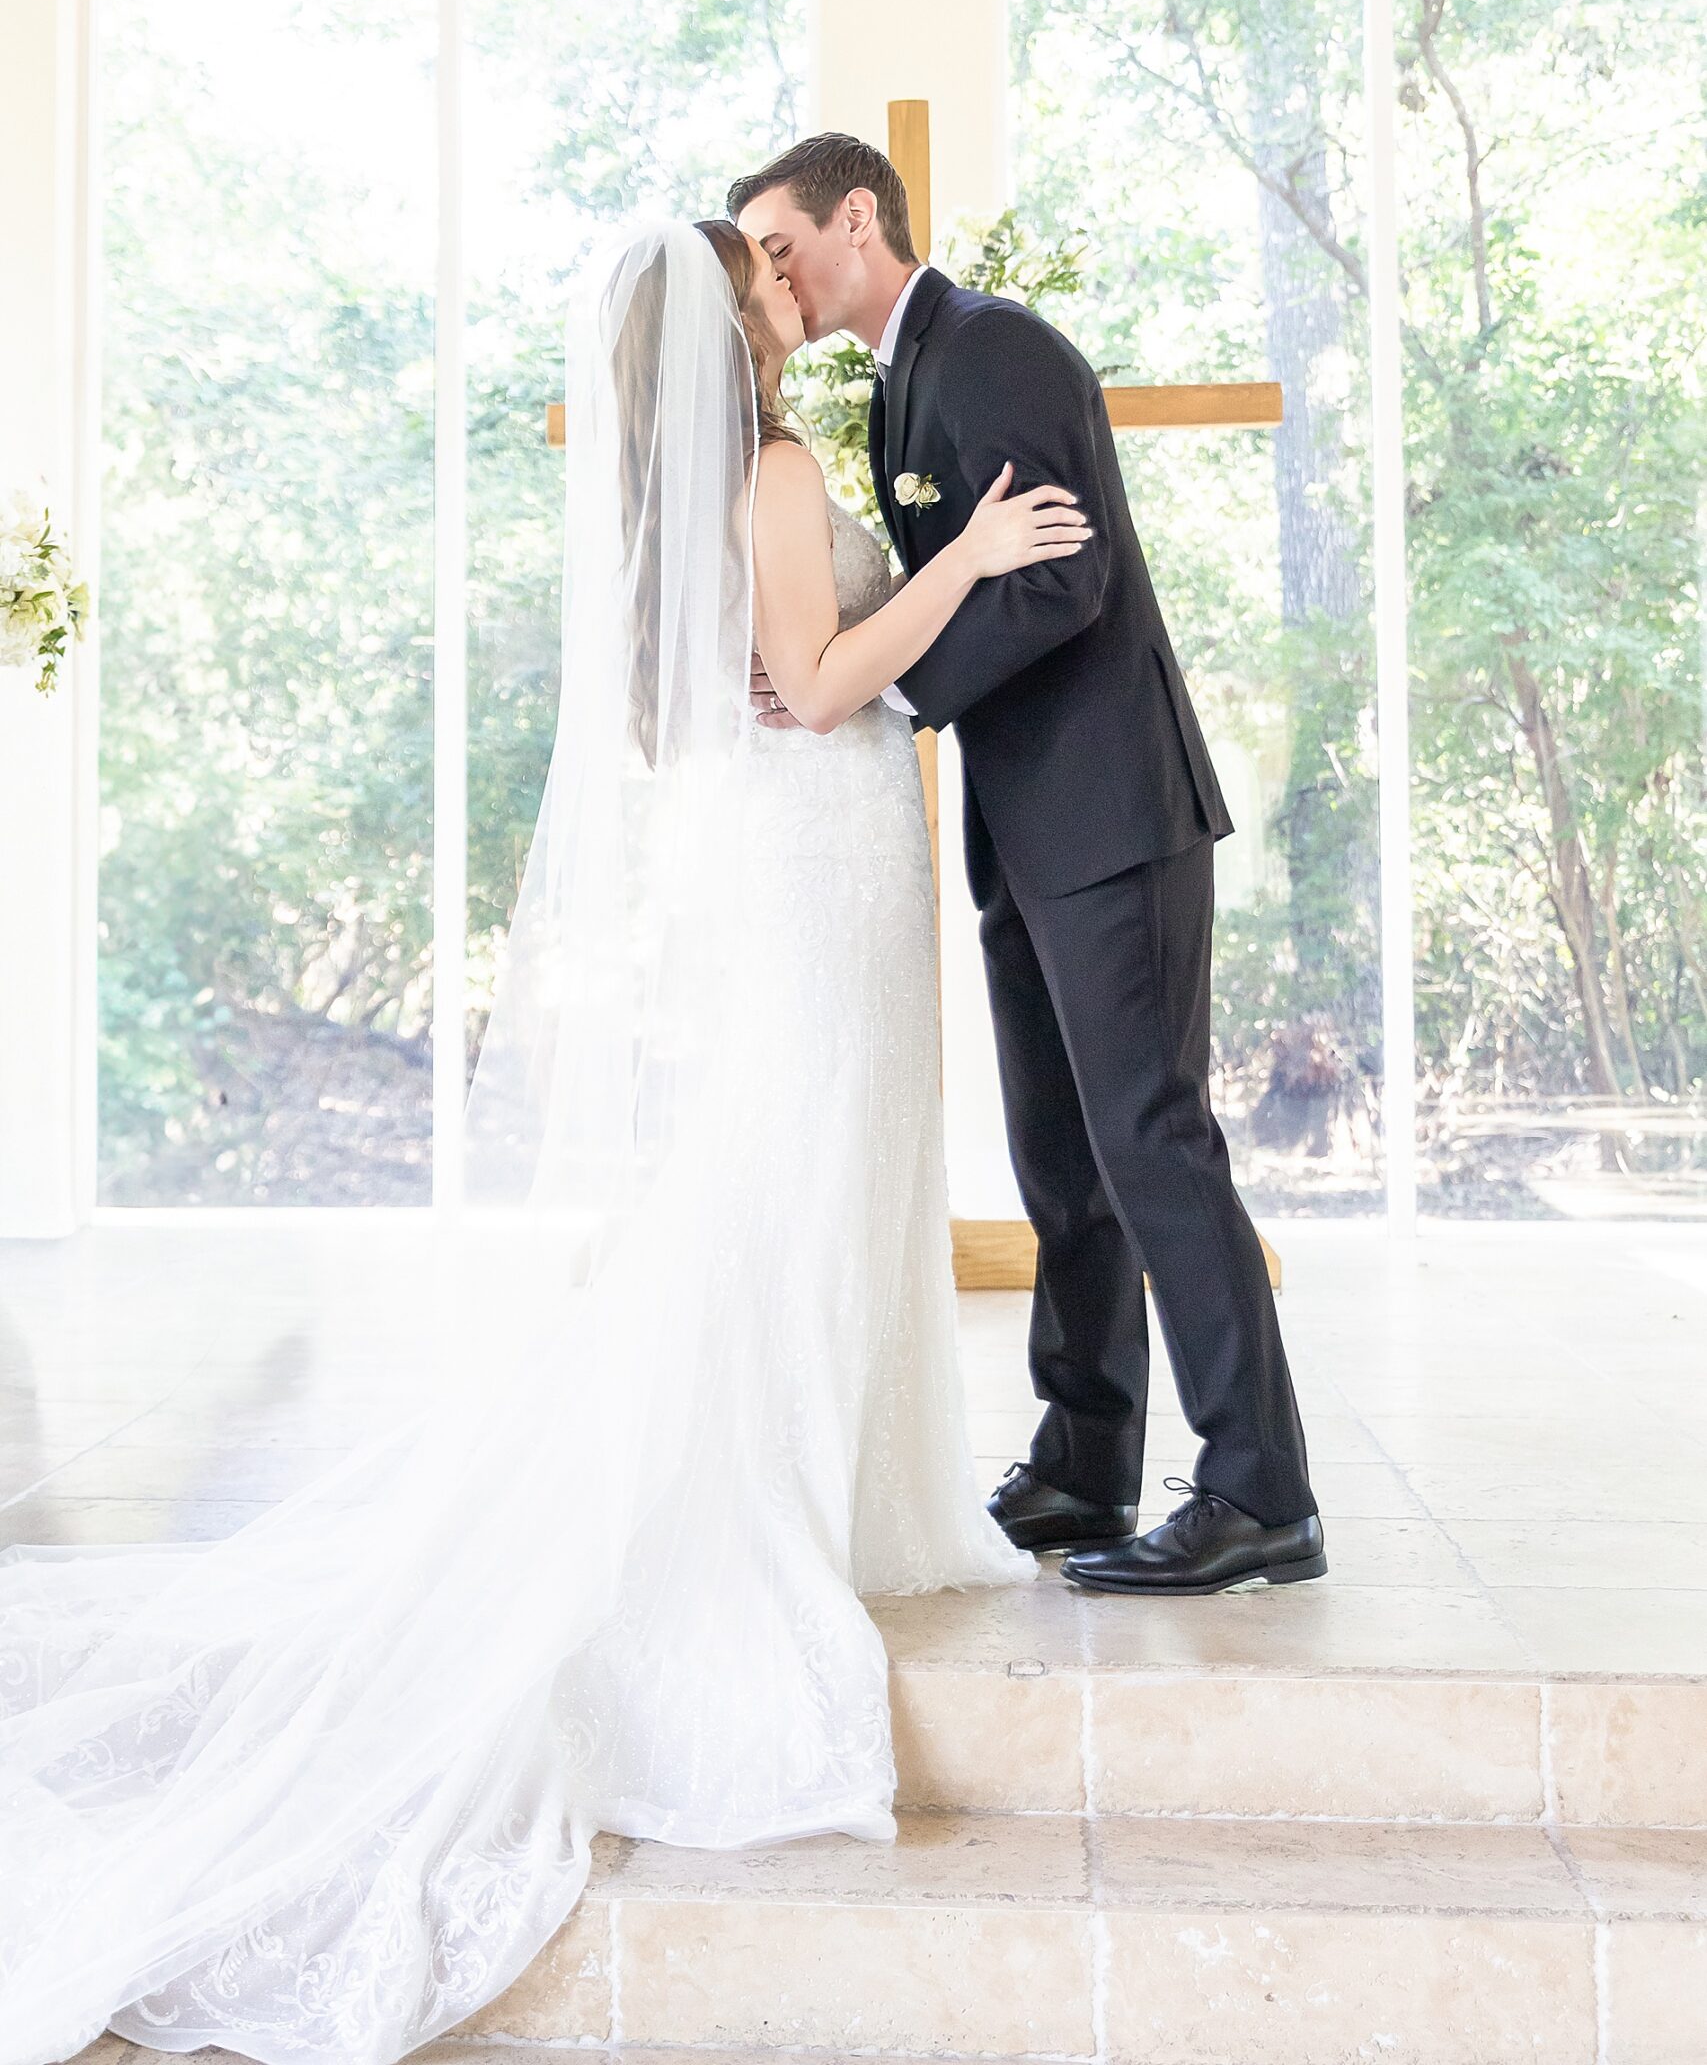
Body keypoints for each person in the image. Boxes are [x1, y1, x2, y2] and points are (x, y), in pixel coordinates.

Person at [0, 217, 1083, 2065]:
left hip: (776, 863)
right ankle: (769, 1506)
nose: (776, 287)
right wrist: (971, 557)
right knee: (798, 1187)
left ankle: (836, 1481)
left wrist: (864, 641)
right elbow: (819, 688)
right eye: (753, 276)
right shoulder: (770, 464)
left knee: (793, 1183)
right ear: (727, 321)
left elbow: (728, 702)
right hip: (815, 863)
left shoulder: (674, 495)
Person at [730, 136, 1325, 1598]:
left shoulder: (996, 351)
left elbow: (1064, 579)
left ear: (854, 216)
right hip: (1025, 813)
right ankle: (1083, 1458)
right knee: (1063, 1151)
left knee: (1150, 1138)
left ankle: (1260, 1490)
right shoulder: (895, 383)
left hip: (1110, 809)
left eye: (780, 243)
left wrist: (885, 692)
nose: (773, 275)